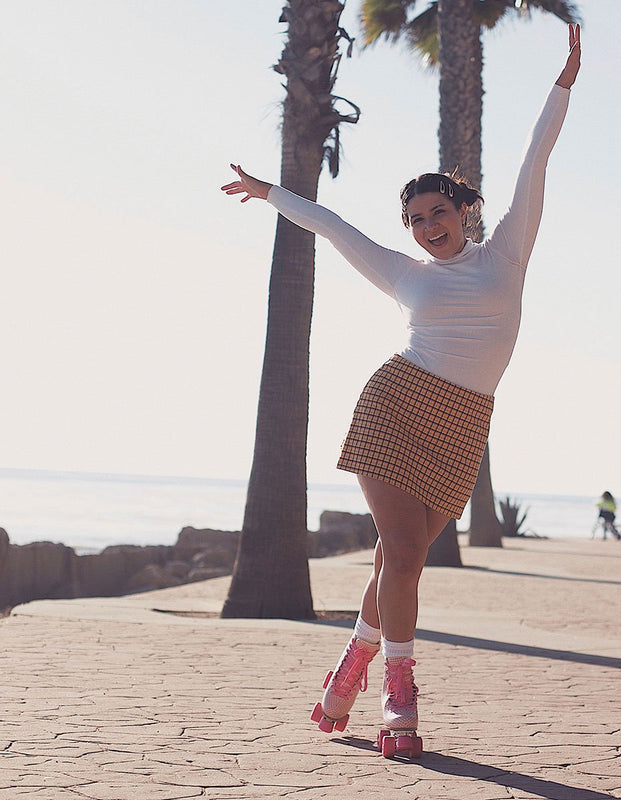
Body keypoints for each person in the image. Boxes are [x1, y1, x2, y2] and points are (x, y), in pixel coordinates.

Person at [221, 24, 581, 751]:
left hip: (464, 424)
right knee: (406, 554)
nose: (426, 228)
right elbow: (331, 225)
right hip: (397, 406)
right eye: (415, 221)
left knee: (397, 562)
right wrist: (269, 192)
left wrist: (564, 80)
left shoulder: (508, 252)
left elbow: (535, 157)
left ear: (464, 210)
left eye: (437, 213)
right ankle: (399, 694)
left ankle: (347, 673)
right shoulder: (404, 273)